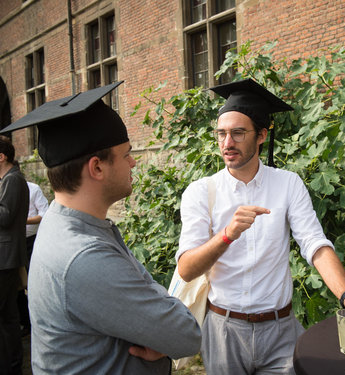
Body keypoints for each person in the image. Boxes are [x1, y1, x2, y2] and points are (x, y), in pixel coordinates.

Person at [176, 78, 345, 374]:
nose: (227, 144)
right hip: (223, 331)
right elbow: (187, 268)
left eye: (238, 134)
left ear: (262, 135)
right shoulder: (201, 192)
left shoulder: (288, 184)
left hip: (281, 332)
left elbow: (315, 244)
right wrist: (226, 235)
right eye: (221, 134)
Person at [1, 81, 202, 374]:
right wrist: (161, 326)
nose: (134, 163)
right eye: (126, 154)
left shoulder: (63, 222)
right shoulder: (85, 255)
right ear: (97, 167)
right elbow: (186, 336)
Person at [0, 135, 29, 375]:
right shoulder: (8, 179)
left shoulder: (13, 180)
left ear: (1, 157)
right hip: (5, 257)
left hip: (6, 258)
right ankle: (11, 365)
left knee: (6, 316)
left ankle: (11, 365)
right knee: (8, 316)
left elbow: (5, 217)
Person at [17, 181, 49, 336]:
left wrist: (22, 221)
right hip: (13, 243)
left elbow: (44, 213)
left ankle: (39, 324)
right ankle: (25, 322)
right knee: (17, 285)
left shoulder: (33, 188)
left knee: (34, 283)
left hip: (31, 241)